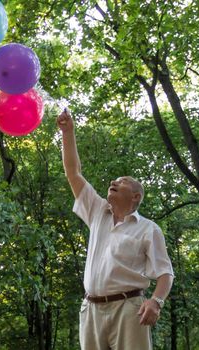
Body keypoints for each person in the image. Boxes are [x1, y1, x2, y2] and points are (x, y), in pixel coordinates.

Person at [57, 108, 174, 350]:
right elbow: (73, 172)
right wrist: (68, 133)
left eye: (121, 182)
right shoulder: (98, 212)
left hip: (128, 309)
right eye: (114, 181)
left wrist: (156, 302)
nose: (113, 183)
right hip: (91, 310)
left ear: (135, 196)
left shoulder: (148, 229)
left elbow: (165, 273)